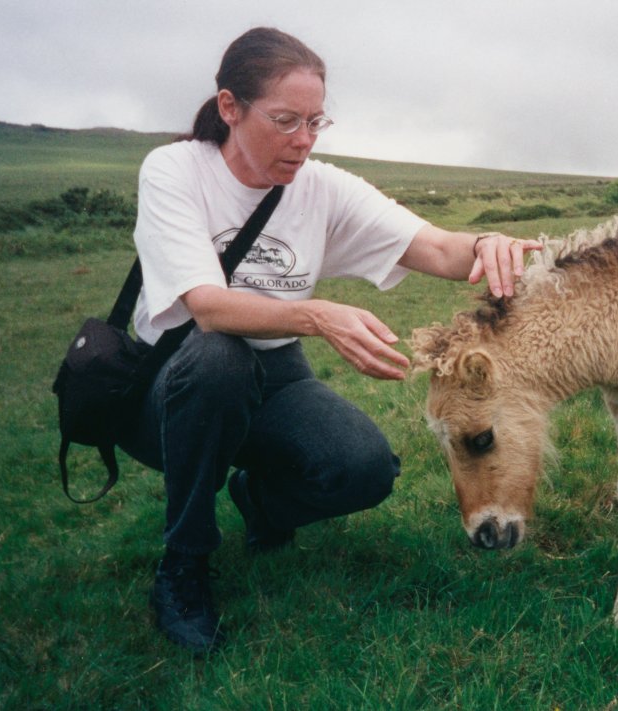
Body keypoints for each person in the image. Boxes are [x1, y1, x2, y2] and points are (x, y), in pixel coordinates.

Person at [115, 27, 541, 653]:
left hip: (274, 369)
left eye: (316, 122)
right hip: (176, 378)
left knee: (364, 469)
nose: (304, 141)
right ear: (230, 107)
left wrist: (484, 245)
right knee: (218, 361)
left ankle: (259, 502)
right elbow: (204, 308)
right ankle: (183, 565)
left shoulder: (322, 186)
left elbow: (434, 246)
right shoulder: (176, 170)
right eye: (286, 120)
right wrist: (317, 316)